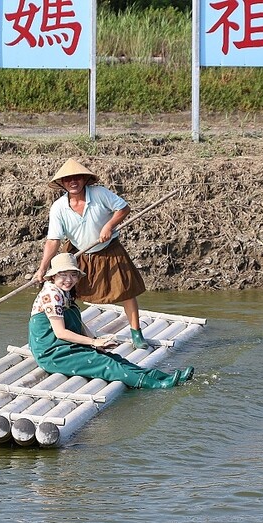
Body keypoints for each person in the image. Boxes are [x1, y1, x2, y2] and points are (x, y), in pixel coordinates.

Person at [29, 253, 193, 389]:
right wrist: (93, 342)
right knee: (105, 363)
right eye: (63, 275)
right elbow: (60, 332)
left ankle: (162, 377)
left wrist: (97, 343)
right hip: (53, 352)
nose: (69, 280)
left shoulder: (65, 292)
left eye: (73, 275)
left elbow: (79, 324)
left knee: (115, 358)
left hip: (67, 346)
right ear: (53, 276)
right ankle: (157, 385)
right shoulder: (51, 294)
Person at [34, 158, 150, 349]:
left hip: (108, 249)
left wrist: (109, 225)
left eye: (77, 178)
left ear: (84, 180)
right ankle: (69, 332)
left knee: (126, 290)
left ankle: (136, 333)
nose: (73, 182)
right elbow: (53, 240)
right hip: (78, 253)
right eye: (68, 179)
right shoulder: (58, 208)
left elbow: (124, 208)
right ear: (62, 183)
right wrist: (43, 268)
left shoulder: (100, 194)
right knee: (67, 291)